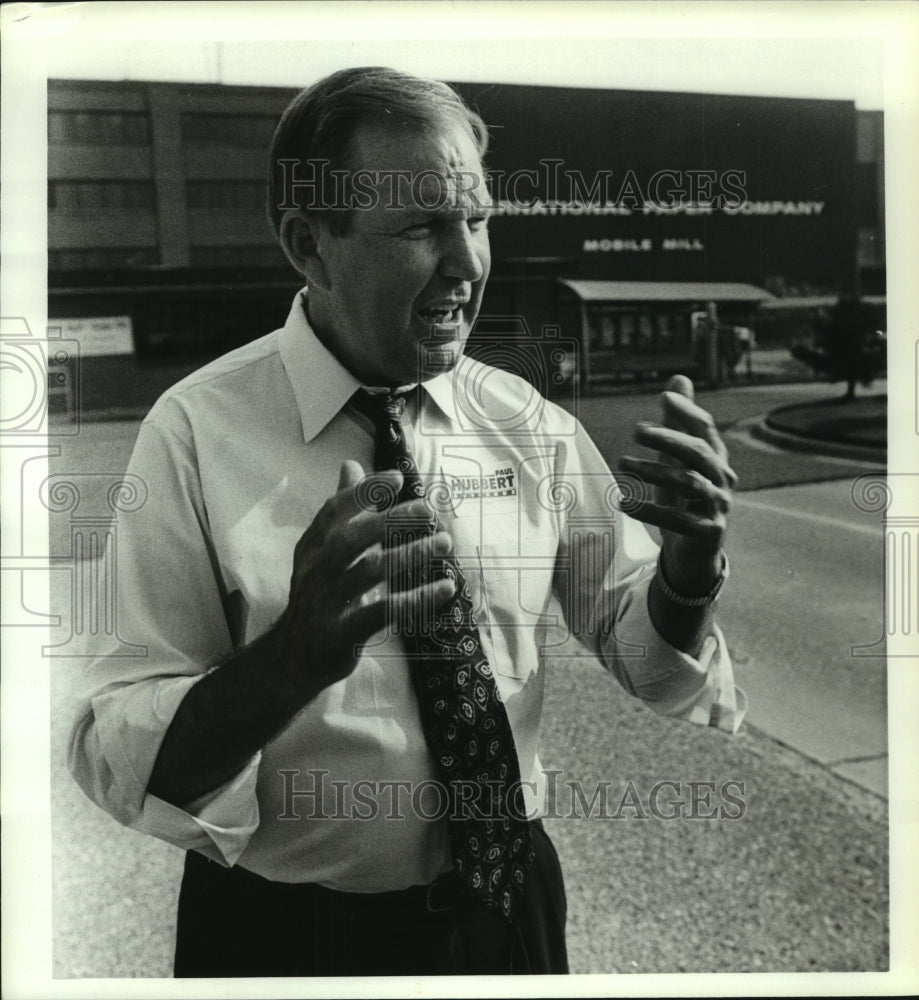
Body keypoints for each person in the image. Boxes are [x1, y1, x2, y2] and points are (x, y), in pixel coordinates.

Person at [66, 66, 745, 978]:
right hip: (286, 942)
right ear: (311, 244)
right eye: (423, 226)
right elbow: (123, 761)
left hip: (510, 916)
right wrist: (294, 656)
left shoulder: (529, 427)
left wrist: (688, 572)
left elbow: (648, 663)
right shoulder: (194, 434)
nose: (467, 263)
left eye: (476, 219)